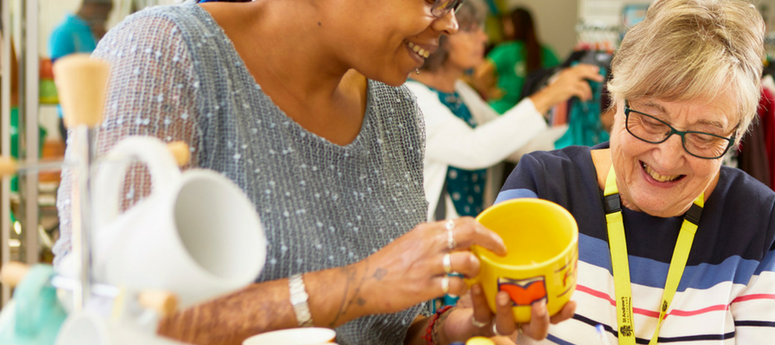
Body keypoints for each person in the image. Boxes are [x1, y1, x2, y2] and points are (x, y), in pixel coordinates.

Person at [52, 0, 573, 344]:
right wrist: (355, 285)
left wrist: (448, 330)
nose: (450, 23)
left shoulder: (396, 111)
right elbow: (105, 307)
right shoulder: (166, 57)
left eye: (455, 4)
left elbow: (382, 327)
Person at [493, 0, 775, 343]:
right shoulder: (543, 189)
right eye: (652, 120)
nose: (668, 160)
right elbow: (494, 329)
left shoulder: (758, 222)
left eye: (704, 136)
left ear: (735, 136)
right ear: (616, 101)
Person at [407, 0, 603, 221]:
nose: (484, 38)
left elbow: (513, 142)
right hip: (435, 243)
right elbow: (474, 149)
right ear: (440, 35)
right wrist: (548, 96)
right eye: (470, 30)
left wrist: (596, 132)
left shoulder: (461, 93)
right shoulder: (413, 97)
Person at [49, 0, 113, 137]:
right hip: (73, 116)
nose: (108, 18)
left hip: (99, 114)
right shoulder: (63, 32)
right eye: (107, 12)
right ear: (92, 5)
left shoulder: (96, 32)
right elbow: (60, 74)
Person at [476, 7, 558, 114]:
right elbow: (561, 74)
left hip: (502, 110)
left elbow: (480, 73)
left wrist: (490, 92)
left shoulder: (506, 50)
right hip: (534, 112)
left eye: (507, 24)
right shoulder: (546, 52)